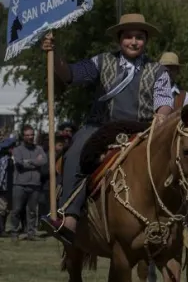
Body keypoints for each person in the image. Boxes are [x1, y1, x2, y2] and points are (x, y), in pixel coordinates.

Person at [40, 13, 173, 246]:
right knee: (75, 153)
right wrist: (55, 54)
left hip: (140, 129)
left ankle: (185, 218)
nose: (134, 41)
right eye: (129, 36)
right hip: (100, 127)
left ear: (146, 41)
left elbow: (164, 102)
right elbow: (70, 74)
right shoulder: (102, 61)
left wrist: (161, 120)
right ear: (119, 39)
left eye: (139, 37)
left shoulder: (158, 71)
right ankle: (70, 216)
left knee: (179, 158)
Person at [8, 125, 47, 241]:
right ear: (23, 136)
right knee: (16, 210)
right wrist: (36, 161)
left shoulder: (39, 149)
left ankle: (31, 233)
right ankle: (14, 232)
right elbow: (19, 163)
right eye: (27, 135)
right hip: (19, 184)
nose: (30, 137)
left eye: (32, 135)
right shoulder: (17, 149)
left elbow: (43, 161)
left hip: (35, 184)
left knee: (32, 211)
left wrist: (29, 162)